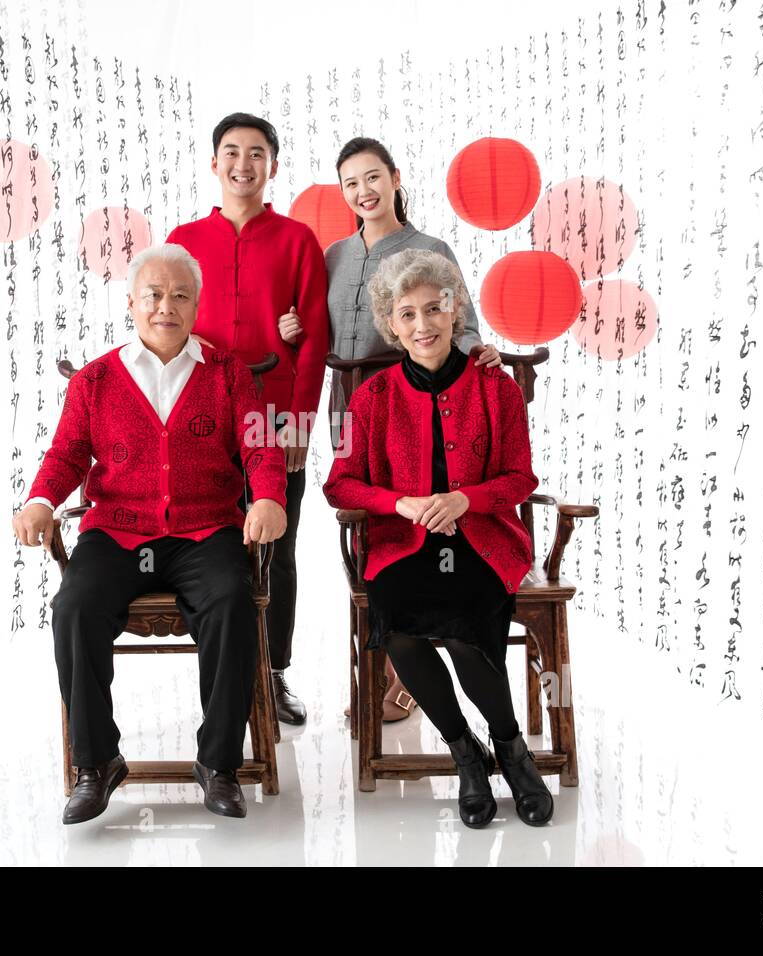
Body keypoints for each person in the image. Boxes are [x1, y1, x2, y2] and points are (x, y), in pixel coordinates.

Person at [14, 243, 288, 824]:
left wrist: (267, 495)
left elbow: (260, 447)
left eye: (181, 295)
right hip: (116, 532)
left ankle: (218, 764)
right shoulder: (95, 380)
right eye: (155, 295)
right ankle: (96, 763)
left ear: (196, 304)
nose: (167, 306)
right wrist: (41, 500)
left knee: (232, 602)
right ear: (132, 303)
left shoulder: (230, 373)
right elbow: (66, 454)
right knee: (74, 609)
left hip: (203, 530)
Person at [322, 248, 553, 828]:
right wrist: (399, 502)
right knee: (399, 627)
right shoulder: (372, 397)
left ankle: (511, 750)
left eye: (434, 308)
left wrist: (465, 500)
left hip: (483, 538)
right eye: (407, 314)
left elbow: (521, 477)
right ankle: (464, 754)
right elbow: (339, 485)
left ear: (455, 310)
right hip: (403, 543)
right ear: (391, 325)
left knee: (469, 621)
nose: (422, 324)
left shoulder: (493, 386)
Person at [319, 136, 503, 722]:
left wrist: (480, 350)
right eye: (351, 183)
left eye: (372, 177)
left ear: (395, 178)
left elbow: (461, 321)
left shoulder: (429, 247)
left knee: (423, 526)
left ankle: (401, 682)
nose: (363, 191)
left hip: (413, 403)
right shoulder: (334, 255)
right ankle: (378, 661)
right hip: (346, 407)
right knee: (366, 526)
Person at [166, 112, 330, 725]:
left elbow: (314, 338)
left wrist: (299, 425)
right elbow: (167, 328)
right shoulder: (183, 239)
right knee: (206, 543)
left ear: (273, 166)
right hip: (201, 419)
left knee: (279, 548)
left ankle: (274, 671)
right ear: (214, 163)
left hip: (274, 418)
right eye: (231, 152)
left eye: (256, 153)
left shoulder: (297, 240)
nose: (243, 164)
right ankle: (224, 677)